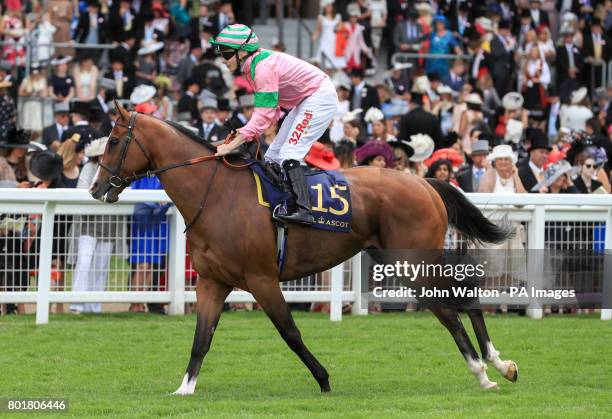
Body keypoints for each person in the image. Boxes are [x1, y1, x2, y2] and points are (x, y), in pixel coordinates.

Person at [211, 24, 339, 225]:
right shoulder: (253, 66)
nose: (223, 59)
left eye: (226, 52)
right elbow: (272, 113)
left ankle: (304, 210)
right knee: (272, 156)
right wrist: (243, 135)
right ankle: (283, 202)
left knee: (288, 154)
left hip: (318, 96)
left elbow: (264, 114)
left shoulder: (262, 68)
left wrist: (233, 143)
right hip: (304, 99)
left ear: (243, 51)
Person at [518, 128, 551, 193]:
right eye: (541, 152)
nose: (544, 156)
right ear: (531, 152)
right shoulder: (521, 172)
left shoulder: (549, 173)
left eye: (546, 153)